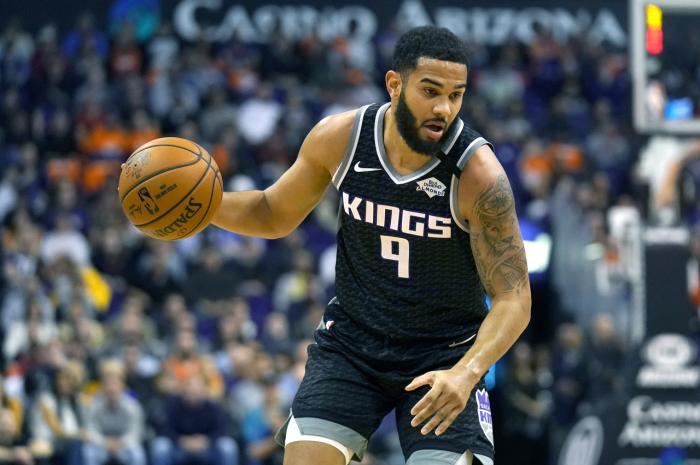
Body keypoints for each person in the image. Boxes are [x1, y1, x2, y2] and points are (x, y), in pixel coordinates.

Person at [211, 26, 531, 465]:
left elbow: (515, 297)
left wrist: (467, 373)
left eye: (456, 95)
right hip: (352, 344)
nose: (443, 108)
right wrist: (203, 209)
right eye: (430, 91)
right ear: (394, 85)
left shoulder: (478, 175)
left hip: (443, 355)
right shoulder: (341, 137)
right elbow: (272, 212)